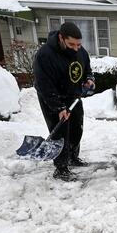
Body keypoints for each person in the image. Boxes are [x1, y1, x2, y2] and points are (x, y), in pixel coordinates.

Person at [33, 22, 95, 182]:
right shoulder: (45, 55)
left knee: (76, 128)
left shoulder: (81, 52)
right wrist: (58, 107)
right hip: (53, 98)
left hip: (73, 96)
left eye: (79, 44)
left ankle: (73, 157)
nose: (76, 48)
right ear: (61, 38)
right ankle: (61, 168)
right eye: (71, 44)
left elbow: (87, 69)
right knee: (60, 133)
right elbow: (43, 84)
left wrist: (88, 79)